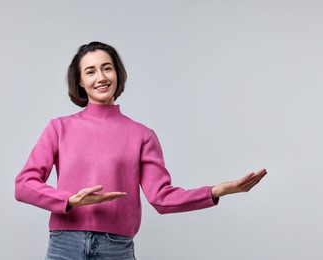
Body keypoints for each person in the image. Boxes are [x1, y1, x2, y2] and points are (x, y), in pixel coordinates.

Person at [15, 41, 267, 260]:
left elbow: (161, 198)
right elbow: (23, 185)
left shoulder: (141, 135)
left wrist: (216, 191)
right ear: (80, 81)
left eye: (107, 68)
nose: (100, 78)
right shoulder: (59, 128)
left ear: (117, 74)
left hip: (115, 248)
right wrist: (69, 200)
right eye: (90, 71)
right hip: (64, 244)